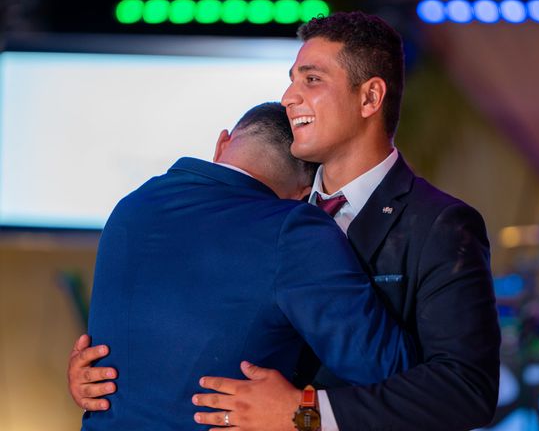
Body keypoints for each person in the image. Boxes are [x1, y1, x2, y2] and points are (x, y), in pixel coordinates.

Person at [70, 11, 501, 431]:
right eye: (292, 80)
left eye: (311, 80)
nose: (289, 97)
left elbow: (466, 391)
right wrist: (106, 374)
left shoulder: (439, 224)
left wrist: (306, 413)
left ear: (370, 97)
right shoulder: (267, 221)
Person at [75, 102, 415, 430]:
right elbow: (391, 373)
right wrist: (302, 412)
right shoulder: (295, 230)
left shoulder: (131, 207)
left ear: (222, 143)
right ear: (303, 191)